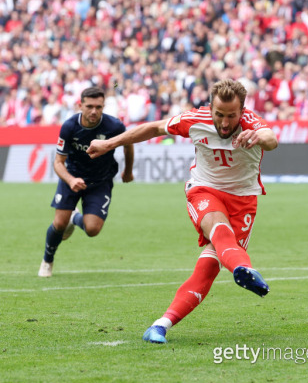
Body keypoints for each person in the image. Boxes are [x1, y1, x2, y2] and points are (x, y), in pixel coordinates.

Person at [87, 79, 278, 344]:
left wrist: (259, 136)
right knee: (220, 230)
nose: (224, 123)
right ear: (210, 108)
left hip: (243, 201)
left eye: (231, 116)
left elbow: (271, 138)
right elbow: (153, 127)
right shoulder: (195, 119)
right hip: (204, 190)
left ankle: (160, 325)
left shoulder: (252, 124)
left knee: (208, 269)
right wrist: (109, 144)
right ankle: (243, 269)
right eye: (219, 114)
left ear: (242, 111)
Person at [38, 87, 134, 277]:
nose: (94, 111)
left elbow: (129, 145)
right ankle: (47, 260)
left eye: (98, 107)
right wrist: (71, 179)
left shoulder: (114, 126)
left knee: (92, 229)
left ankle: (75, 218)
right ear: (80, 105)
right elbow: (58, 163)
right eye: (89, 106)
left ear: (103, 106)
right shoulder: (69, 127)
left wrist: (128, 171)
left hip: (100, 181)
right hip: (71, 177)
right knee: (58, 224)